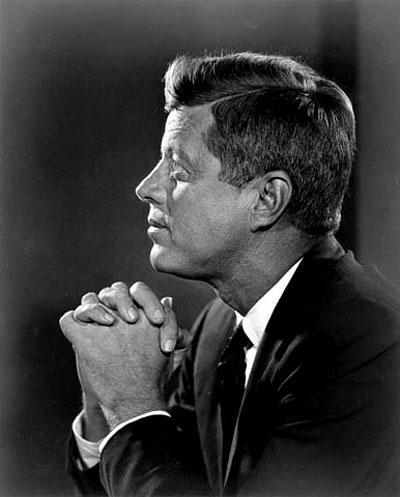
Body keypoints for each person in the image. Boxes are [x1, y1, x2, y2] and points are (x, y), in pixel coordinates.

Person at [60, 52, 400, 496]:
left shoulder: (368, 344)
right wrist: (104, 400)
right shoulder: (218, 328)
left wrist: (132, 403)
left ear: (266, 199)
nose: (146, 188)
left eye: (178, 170)